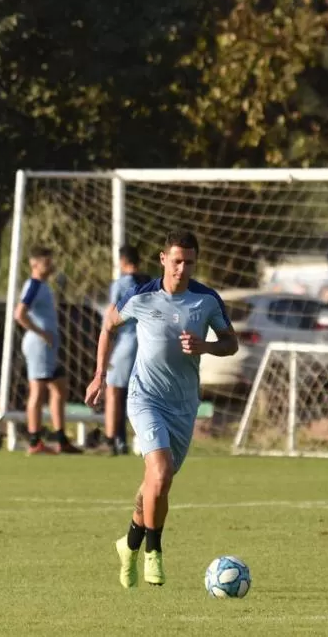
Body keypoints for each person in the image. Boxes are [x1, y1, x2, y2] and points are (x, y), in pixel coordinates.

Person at [84, 230, 238, 588]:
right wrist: (99, 375)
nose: (183, 268)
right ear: (162, 258)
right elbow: (108, 326)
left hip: (183, 405)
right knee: (161, 470)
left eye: (190, 262)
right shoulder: (140, 295)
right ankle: (154, 552)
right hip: (145, 398)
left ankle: (130, 544)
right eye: (177, 260)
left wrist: (206, 347)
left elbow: (231, 343)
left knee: (157, 484)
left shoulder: (207, 300)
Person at [12, 246, 81, 455]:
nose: (50, 265)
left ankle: (61, 439)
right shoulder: (32, 285)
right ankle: (34, 442)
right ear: (34, 264)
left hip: (48, 348)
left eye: (50, 261)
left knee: (60, 388)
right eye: (46, 262)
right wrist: (41, 333)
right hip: (39, 346)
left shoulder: (43, 286)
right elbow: (19, 314)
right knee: (37, 392)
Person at [98, 245, 151, 456]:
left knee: (113, 391)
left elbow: (111, 316)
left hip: (127, 343)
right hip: (148, 343)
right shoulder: (149, 282)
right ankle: (139, 439)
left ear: (122, 262)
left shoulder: (121, 284)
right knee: (141, 393)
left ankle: (112, 440)